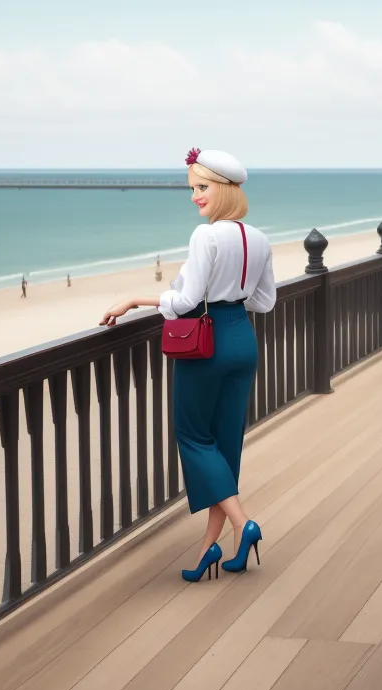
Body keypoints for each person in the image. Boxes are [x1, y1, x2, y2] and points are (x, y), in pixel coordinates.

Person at [100, 147, 276, 582]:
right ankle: (208, 549)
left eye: (201, 188)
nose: (195, 197)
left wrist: (135, 300)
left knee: (194, 437)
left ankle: (242, 523)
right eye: (193, 188)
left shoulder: (206, 237)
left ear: (223, 189)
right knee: (225, 442)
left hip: (208, 344)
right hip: (243, 338)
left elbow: (181, 302)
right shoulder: (259, 238)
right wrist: (233, 295)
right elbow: (265, 302)